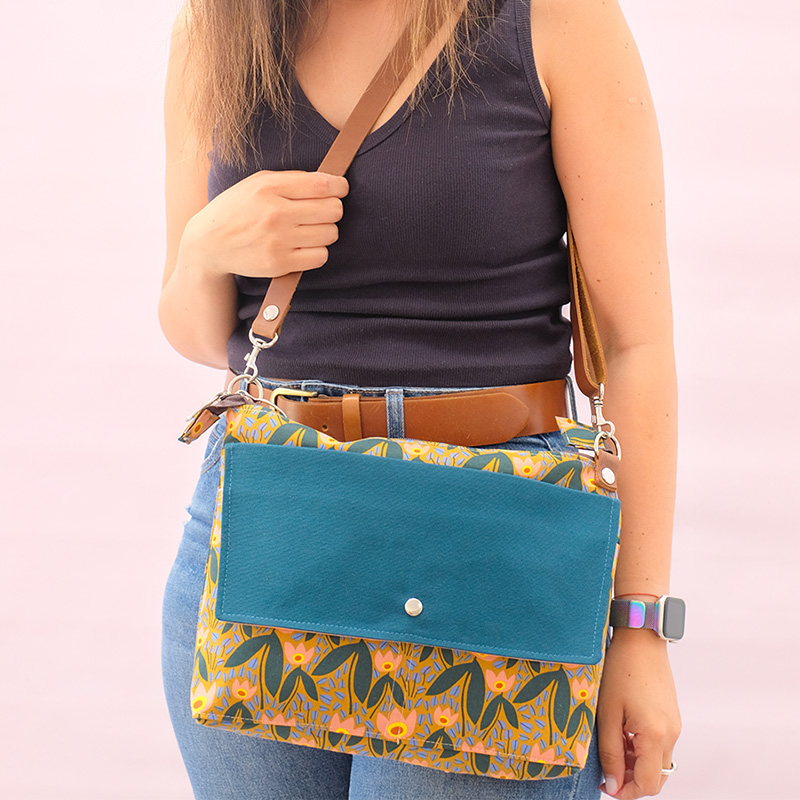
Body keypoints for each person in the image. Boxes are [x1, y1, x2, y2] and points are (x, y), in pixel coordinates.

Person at [158, 0, 681, 797]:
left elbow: (635, 344)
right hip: (263, 533)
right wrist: (205, 249)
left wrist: (639, 627)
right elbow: (202, 335)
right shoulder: (217, 26)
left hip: (493, 546)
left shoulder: (554, 18)